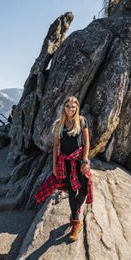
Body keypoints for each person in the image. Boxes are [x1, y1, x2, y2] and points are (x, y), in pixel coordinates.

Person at [34, 96, 93, 242]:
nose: (70, 109)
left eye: (73, 107)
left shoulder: (82, 121)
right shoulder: (59, 124)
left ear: (77, 107)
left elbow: (86, 142)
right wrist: (54, 166)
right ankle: (75, 222)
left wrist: (85, 160)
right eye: (68, 106)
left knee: (84, 189)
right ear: (64, 107)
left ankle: (76, 210)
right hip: (65, 163)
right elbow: (56, 146)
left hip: (80, 161)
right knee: (72, 193)